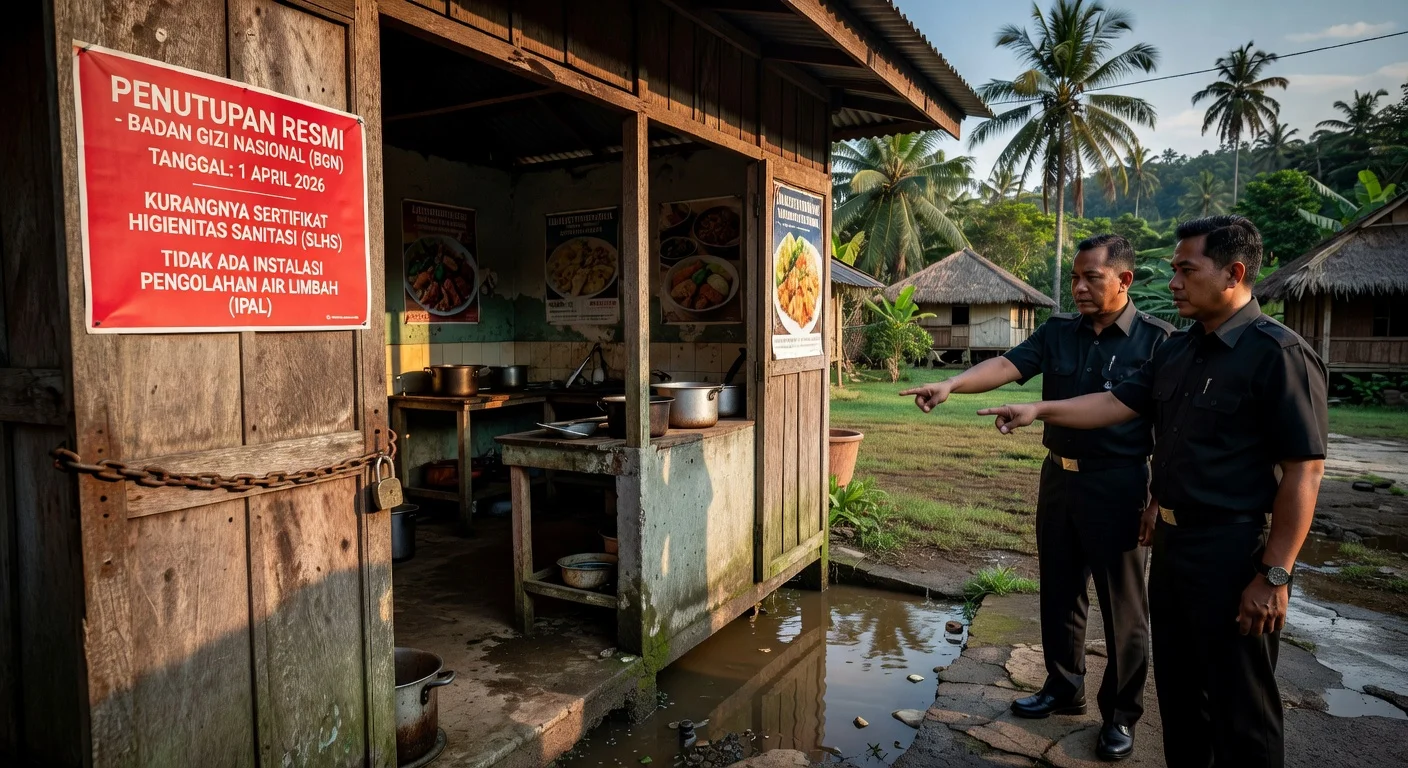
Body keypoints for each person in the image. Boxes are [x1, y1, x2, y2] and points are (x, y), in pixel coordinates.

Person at [978, 215, 1328, 768]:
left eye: (1186, 270)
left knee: (1242, 707)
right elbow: (1116, 403)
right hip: (1170, 544)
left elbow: (1304, 472)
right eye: (1172, 271)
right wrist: (1038, 408)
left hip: (1233, 551)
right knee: (1181, 699)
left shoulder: (1278, 354)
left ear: (1234, 273)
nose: (1173, 283)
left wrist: (1274, 574)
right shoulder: (1180, 351)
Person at [901, 234, 1172, 761]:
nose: (1078, 287)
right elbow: (1007, 365)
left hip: (1120, 484)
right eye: (1074, 277)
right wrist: (952, 384)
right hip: (1060, 478)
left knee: (1124, 609)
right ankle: (1063, 687)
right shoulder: (1058, 332)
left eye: (1091, 277)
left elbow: (1172, 428)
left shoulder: (1158, 342)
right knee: (1060, 589)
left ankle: (1120, 715)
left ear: (1124, 280)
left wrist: (1158, 497)